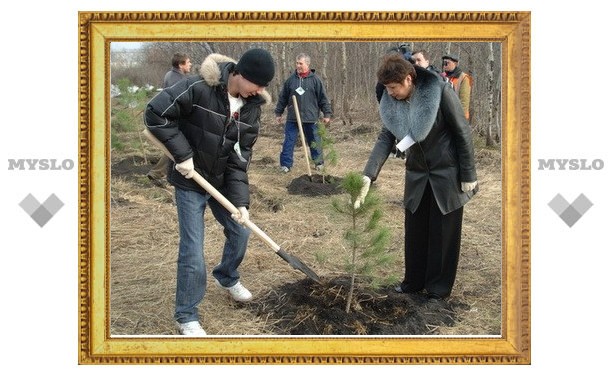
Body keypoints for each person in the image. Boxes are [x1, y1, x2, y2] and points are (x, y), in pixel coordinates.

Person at [144, 48, 275, 336]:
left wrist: (241, 203)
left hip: (221, 182)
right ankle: (186, 316)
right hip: (190, 180)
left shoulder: (252, 109)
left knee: (241, 231)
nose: (260, 91)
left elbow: (240, 159)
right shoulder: (198, 88)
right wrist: (182, 154)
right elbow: (155, 114)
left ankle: (226, 277)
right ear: (240, 74)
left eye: (264, 87)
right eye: (258, 84)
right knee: (193, 250)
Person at [354, 53, 478, 301]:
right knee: (415, 231)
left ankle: (438, 288)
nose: (390, 93)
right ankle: (413, 281)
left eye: (393, 87)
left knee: (443, 233)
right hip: (418, 174)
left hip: (447, 174)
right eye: (386, 88)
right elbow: (385, 137)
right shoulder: (391, 101)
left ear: (409, 79)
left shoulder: (439, 91)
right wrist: (368, 175)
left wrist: (469, 173)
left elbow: (461, 131)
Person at [274, 53, 332, 173]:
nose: (298, 66)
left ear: (307, 64)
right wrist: (278, 113)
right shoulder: (291, 80)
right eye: (297, 63)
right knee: (288, 142)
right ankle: (285, 165)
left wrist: (327, 114)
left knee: (315, 142)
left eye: (301, 63)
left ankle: (318, 163)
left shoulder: (316, 80)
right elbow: (283, 98)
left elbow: (323, 98)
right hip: (293, 118)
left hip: (311, 118)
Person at [146, 53, 193, 187]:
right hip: (174, 118)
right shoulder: (177, 80)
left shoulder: (171, 75)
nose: (190, 64)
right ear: (180, 65)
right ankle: (156, 173)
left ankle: (159, 172)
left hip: (171, 117)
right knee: (178, 148)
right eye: (188, 62)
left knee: (175, 147)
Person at [441, 53, 472, 120]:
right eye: (444, 63)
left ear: (455, 63)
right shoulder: (442, 76)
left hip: (458, 116)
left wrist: (459, 119)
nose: (445, 65)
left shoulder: (464, 78)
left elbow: (464, 101)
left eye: (447, 63)